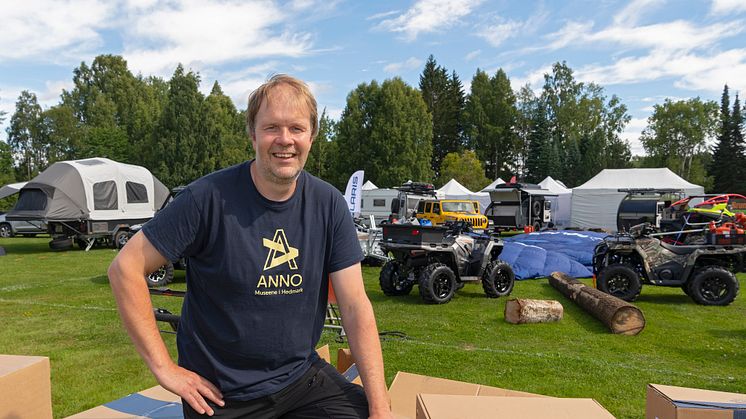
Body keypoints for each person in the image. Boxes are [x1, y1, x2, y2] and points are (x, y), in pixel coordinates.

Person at [109, 74, 392, 418]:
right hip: (222, 395)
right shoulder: (207, 199)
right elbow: (125, 268)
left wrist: (380, 407)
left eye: (297, 128)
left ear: (312, 136)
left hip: (300, 379)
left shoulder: (328, 204)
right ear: (252, 134)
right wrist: (166, 370)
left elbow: (354, 306)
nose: (285, 140)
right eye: (272, 127)